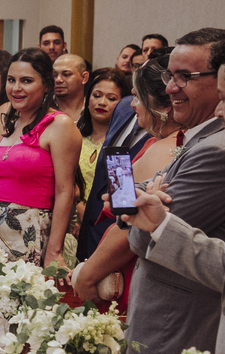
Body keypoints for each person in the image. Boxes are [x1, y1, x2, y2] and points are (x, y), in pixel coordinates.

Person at [115, 31, 225, 354]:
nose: (219, 112)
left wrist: (149, 228)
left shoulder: (222, 151)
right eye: (170, 76)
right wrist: (160, 223)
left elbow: (138, 239)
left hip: (213, 345)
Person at [72, 52, 177, 305]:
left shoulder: (161, 149)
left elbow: (127, 226)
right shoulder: (153, 140)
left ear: (163, 105)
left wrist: (88, 274)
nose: (132, 105)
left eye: (138, 97)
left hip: (126, 260)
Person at [0, 48, 82, 266]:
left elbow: (65, 191)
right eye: (11, 80)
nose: (16, 88)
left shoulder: (60, 125)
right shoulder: (6, 118)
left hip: (30, 231)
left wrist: (54, 251)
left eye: (26, 81)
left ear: (46, 84)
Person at [76, 68, 131, 199]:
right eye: (96, 95)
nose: (102, 103)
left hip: (104, 210)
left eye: (111, 98)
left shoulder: (121, 143)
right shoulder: (73, 135)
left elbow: (121, 194)